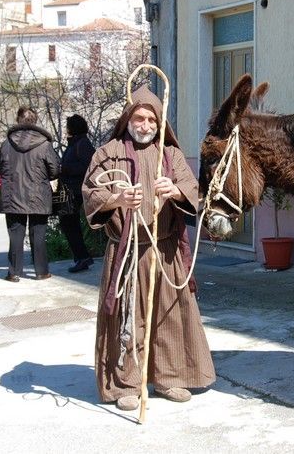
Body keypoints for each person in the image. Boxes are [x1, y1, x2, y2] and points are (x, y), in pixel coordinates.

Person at [83, 86, 215, 411]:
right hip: (125, 252)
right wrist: (117, 199)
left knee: (169, 315)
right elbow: (90, 191)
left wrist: (175, 190)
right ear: (128, 119)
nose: (144, 125)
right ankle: (127, 383)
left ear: (160, 122)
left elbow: (193, 190)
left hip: (165, 252)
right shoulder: (107, 153)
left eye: (151, 119)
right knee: (128, 317)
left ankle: (170, 378)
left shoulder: (170, 155)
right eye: (138, 118)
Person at [0, 106, 60, 282]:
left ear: (18, 120)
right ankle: (41, 272)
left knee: (15, 234)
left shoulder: (6, 144)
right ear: (35, 121)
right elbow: (55, 170)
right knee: (38, 234)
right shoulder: (45, 145)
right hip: (38, 195)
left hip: (12, 196)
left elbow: (0, 169)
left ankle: (13, 273)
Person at [58, 114, 96, 273]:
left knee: (69, 224)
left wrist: (66, 169)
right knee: (67, 224)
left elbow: (89, 167)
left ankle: (82, 257)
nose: (66, 129)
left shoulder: (82, 144)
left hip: (75, 191)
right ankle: (81, 257)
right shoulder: (76, 143)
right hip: (69, 190)